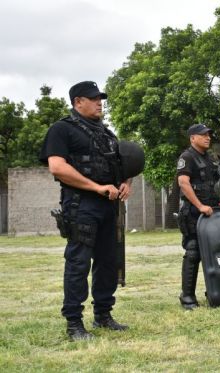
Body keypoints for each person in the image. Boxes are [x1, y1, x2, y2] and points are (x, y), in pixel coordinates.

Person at [39, 81, 132, 341]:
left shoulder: (107, 134)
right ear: (77, 102)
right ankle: (74, 324)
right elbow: (57, 167)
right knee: (79, 263)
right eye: (93, 98)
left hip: (108, 206)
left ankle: (103, 315)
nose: (99, 102)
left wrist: (126, 183)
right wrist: (96, 187)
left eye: (100, 98)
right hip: (81, 206)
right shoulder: (62, 130)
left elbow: (124, 166)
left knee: (107, 262)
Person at [176, 123, 220, 310]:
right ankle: (187, 297)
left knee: (217, 252)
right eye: (203, 135)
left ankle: (215, 291)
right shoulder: (187, 157)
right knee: (193, 253)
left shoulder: (210, 159)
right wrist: (200, 205)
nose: (208, 137)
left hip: (213, 212)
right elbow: (184, 183)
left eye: (209, 135)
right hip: (194, 214)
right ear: (193, 138)